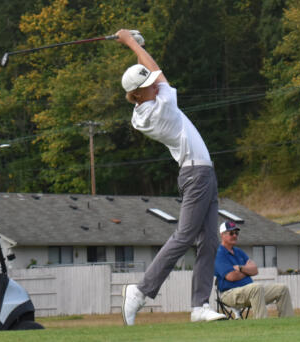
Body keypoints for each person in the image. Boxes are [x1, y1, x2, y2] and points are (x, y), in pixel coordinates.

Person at [116, 28, 225, 325]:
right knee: (185, 236)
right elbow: (157, 72)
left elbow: (151, 73)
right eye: (148, 85)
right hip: (197, 174)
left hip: (203, 172)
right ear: (138, 94)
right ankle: (140, 291)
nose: (154, 84)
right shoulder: (162, 105)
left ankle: (199, 306)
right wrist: (129, 43)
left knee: (210, 241)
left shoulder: (143, 109)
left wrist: (134, 46)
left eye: (152, 84)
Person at [214, 221, 294, 319]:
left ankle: (288, 323)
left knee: (282, 289)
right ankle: (262, 325)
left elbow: (255, 270)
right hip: (229, 294)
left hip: (250, 291)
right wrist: (247, 272)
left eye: (236, 233)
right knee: (256, 288)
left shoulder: (238, 252)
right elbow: (231, 276)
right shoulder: (219, 254)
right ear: (222, 235)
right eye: (231, 233)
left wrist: (240, 268)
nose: (234, 235)